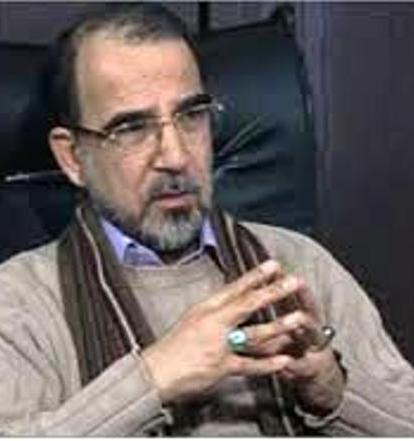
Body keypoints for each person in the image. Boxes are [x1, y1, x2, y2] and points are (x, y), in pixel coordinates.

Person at [0, 3, 414, 436]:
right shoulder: (20, 303)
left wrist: (334, 392)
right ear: (72, 157)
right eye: (132, 128)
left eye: (191, 115)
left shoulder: (298, 267)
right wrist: (150, 383)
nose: (176, 156)